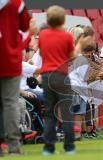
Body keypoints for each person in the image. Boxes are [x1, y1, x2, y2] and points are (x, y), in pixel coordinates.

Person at [38, 5, 76, 155]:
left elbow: (41, 53)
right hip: (61, 75)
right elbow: (72, 56)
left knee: (49, 113)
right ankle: (69, 146)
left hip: (47, 75)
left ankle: (48, 147)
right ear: (62, 19)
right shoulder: (67, 36)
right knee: (66, 112)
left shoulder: (42, 35)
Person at [0, 0, 36, 155]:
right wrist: (18, 47)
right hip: (9, 58)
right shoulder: (16, 3)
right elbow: (26, 28)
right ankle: (14, 146)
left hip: (10, 57)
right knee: (10, 103)